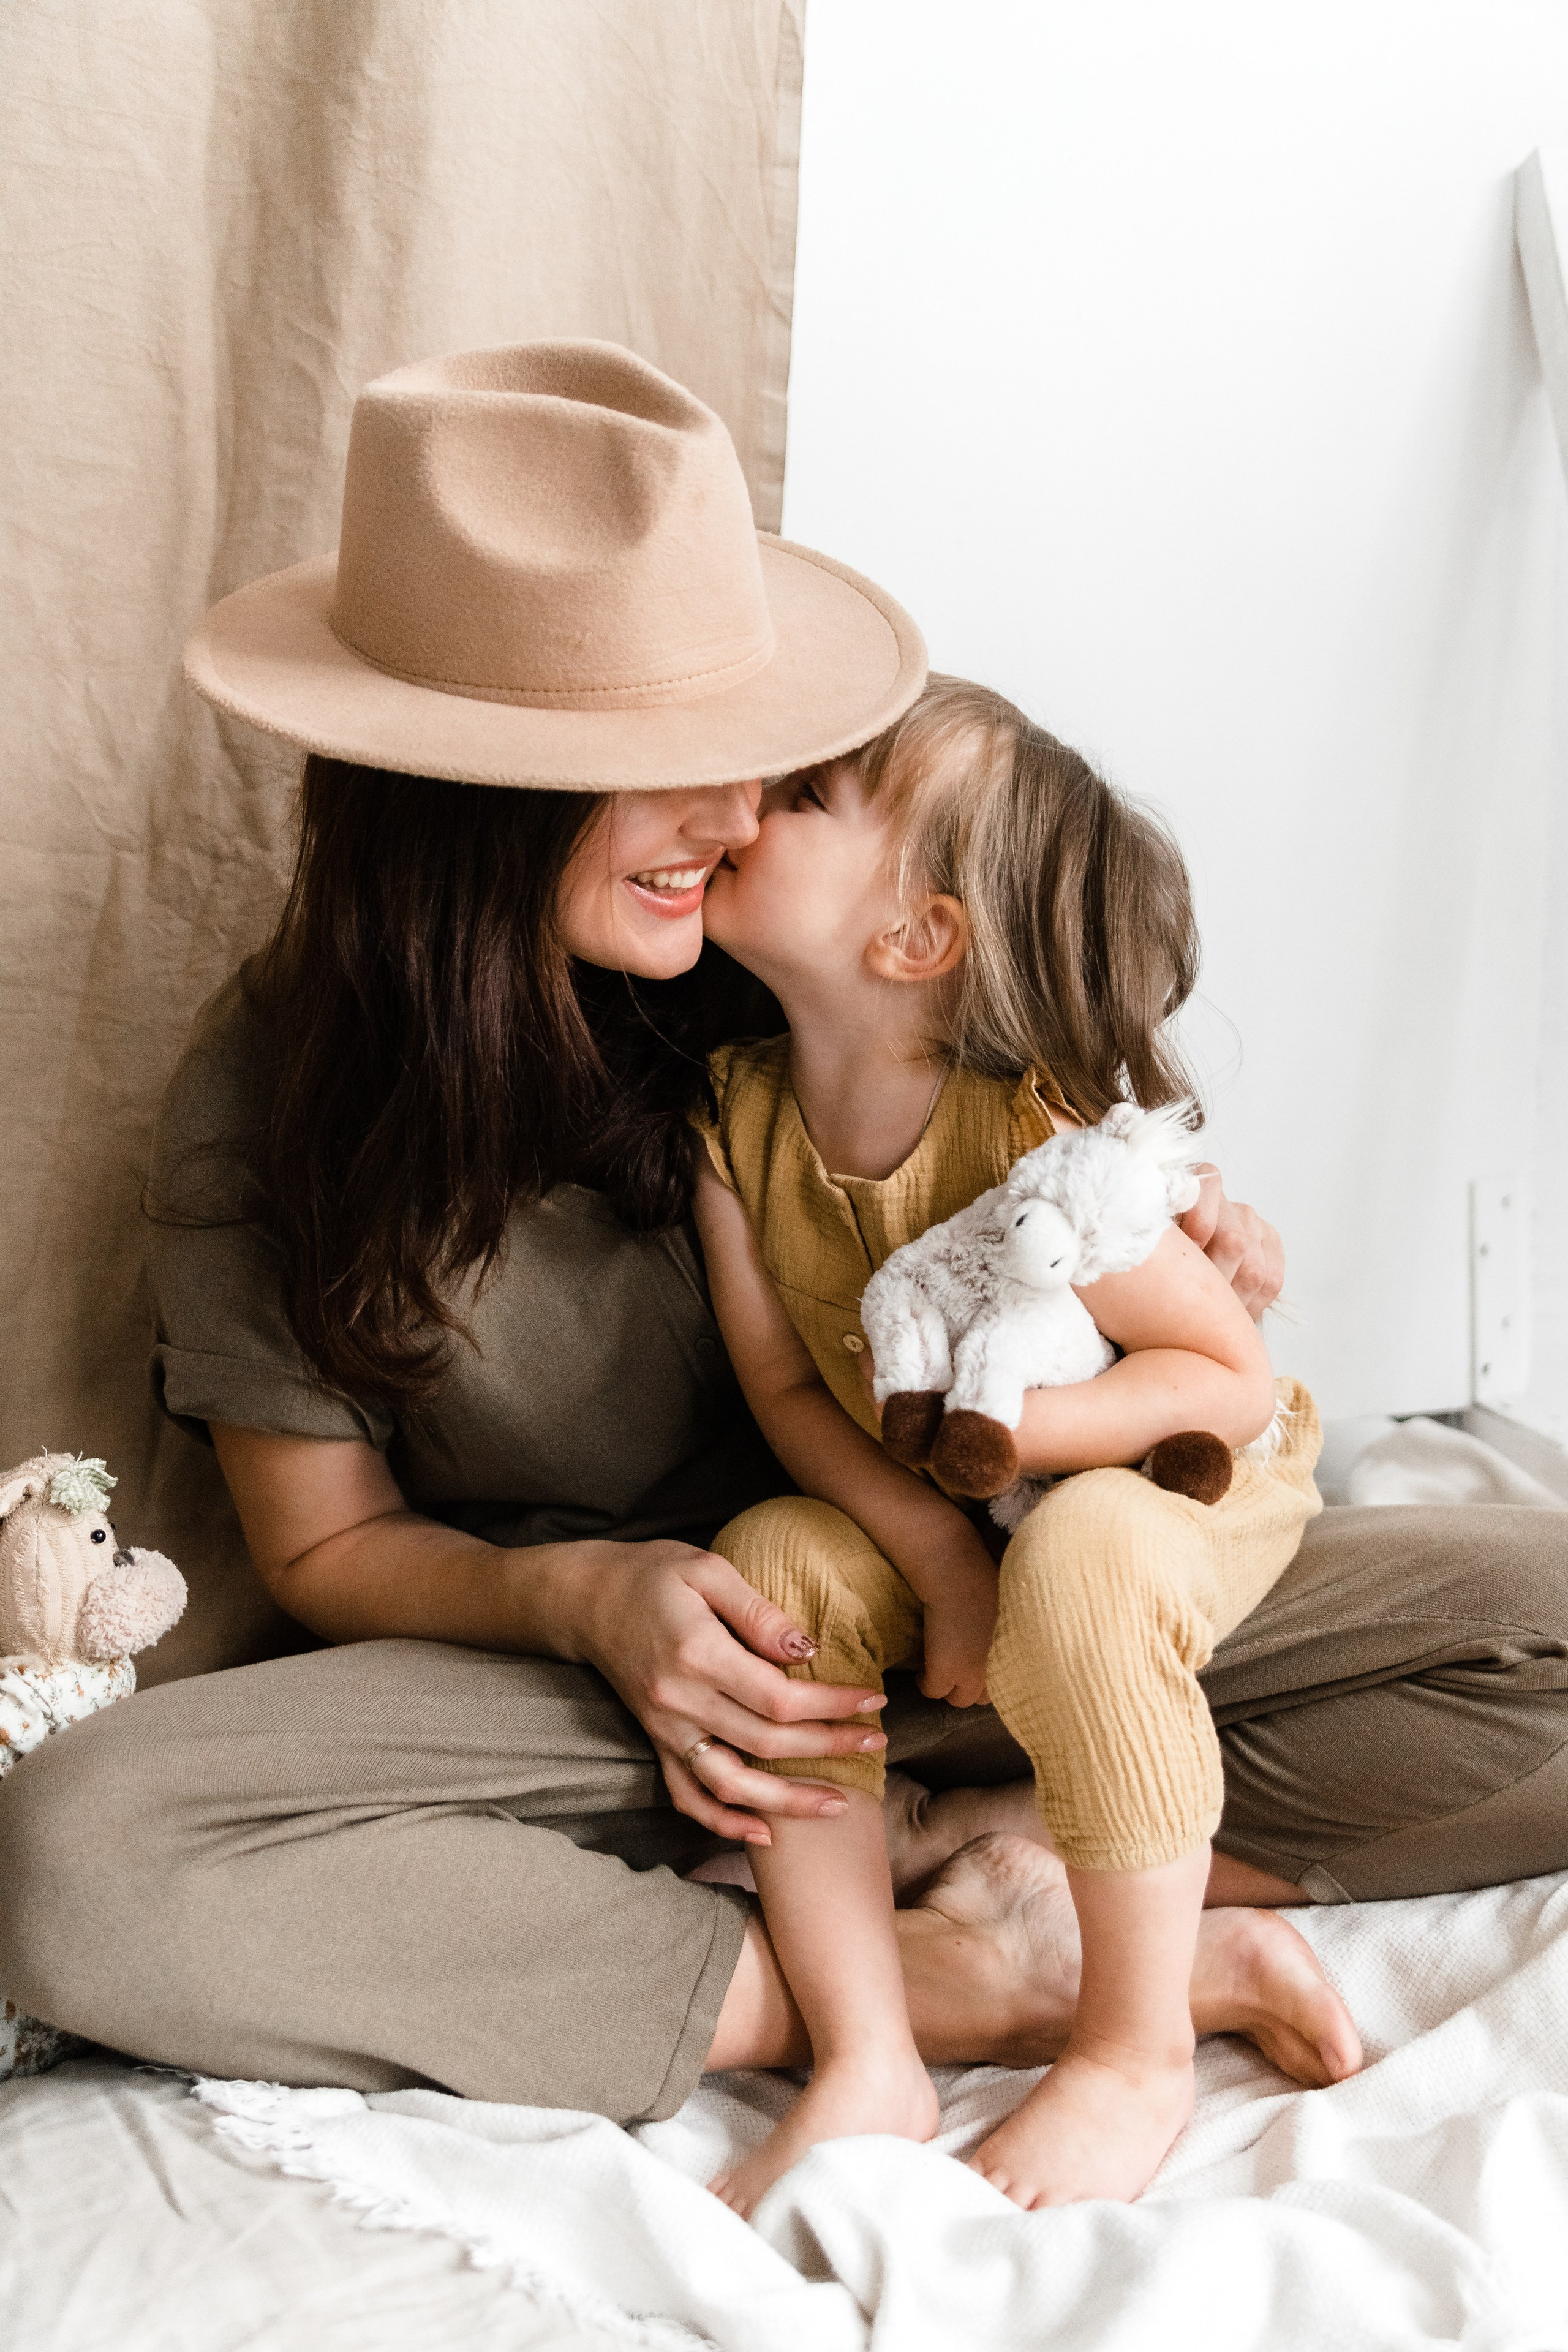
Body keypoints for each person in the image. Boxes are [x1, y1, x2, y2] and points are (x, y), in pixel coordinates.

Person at [2, 342, 1566, 2158]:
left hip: (1006, 1627)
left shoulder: (782, 953)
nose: (739, 816)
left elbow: (1074, 1143)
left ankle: (1051, 1844)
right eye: (669, 768)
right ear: (479, 793)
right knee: (82, 1857)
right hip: (622, 1702)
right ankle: (958, 1978)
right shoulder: (274, 1092)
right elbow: (328, 1544)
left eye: (753, 763)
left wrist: (1199, 1235)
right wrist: (588, 1599)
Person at [690, 679, 1357, 2214]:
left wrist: (1035, 1433)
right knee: (768, 1564)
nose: (748, 798)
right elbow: (794, 1398)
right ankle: (870, 2056)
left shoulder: (1034, 1145)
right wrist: (932, 1546)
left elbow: (1224, 1377)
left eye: (803, 797)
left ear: (913, 939)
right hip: (953, 1502)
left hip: (1165, 1467)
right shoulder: (732, 1126)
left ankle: (1133, 2054)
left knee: (1083, 1547)